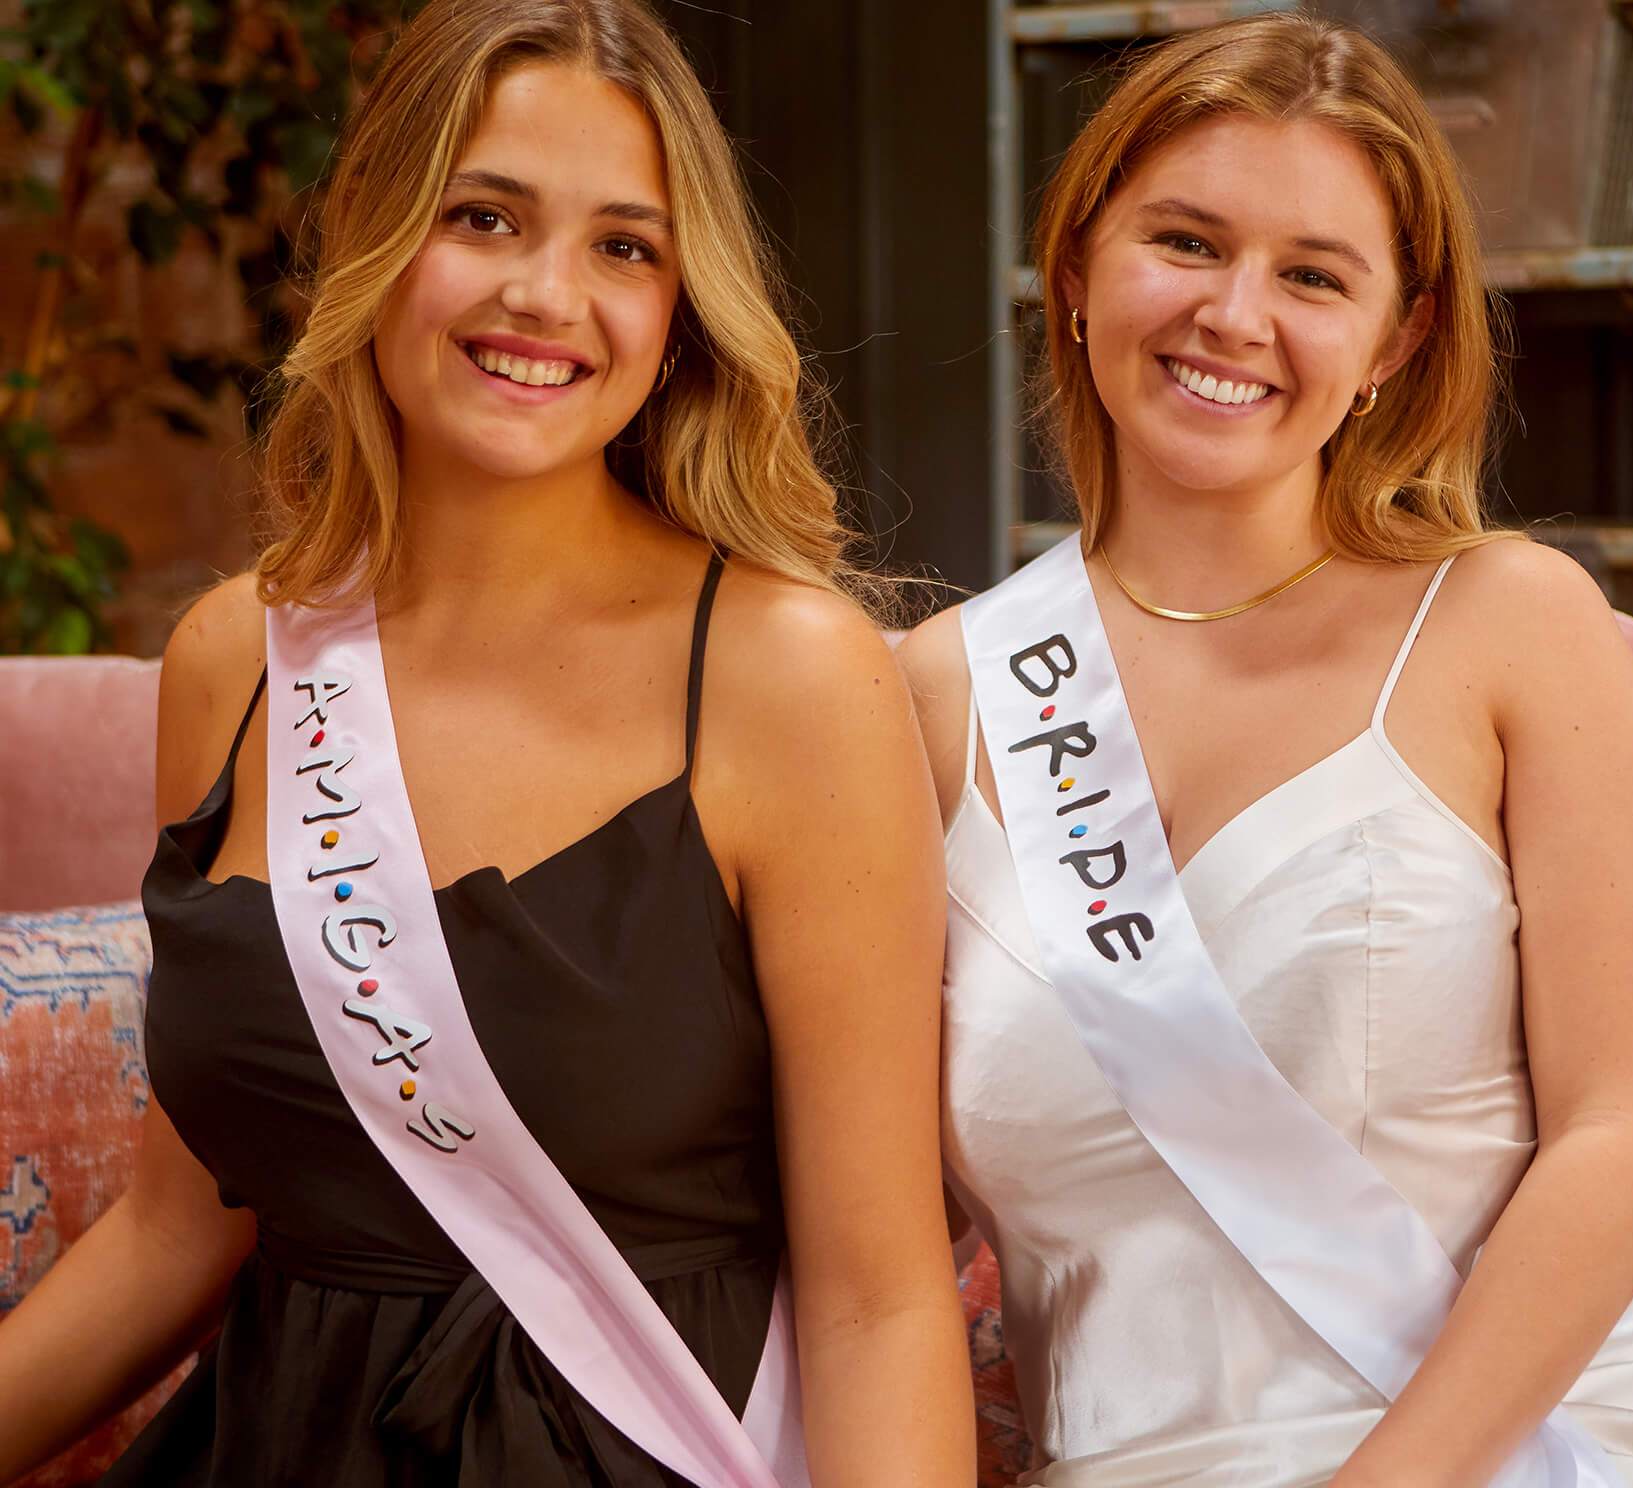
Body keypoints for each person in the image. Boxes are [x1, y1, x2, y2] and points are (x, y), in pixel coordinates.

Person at [0, 2, 973, 1484]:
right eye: (485, 215)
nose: (547, 294)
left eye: (625, 247)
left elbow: (880, 1296)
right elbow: (179, 1225)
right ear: (377, 242)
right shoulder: (236, 661)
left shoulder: (790, 677)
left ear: (682, 306)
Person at [900, 13, 1633, 1487]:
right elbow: (877, 1247)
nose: (1236, 314)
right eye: (1187, 241)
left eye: (1312, 276)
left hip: (1521, 1460)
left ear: (1395, 339)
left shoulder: (1509, 625)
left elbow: (1619, 1142)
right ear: (1078, 266)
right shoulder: (934, 699)